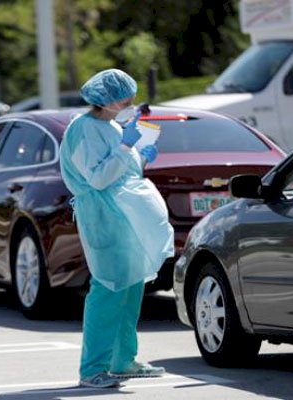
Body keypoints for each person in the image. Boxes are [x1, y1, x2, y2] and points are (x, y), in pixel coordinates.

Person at [59, 69, 174, 388]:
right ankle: (92, 369)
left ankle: (123, 360)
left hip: (126, 216)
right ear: (106, 100)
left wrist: (142, 155)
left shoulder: (112, 126)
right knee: (108, 287)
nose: (130, 105)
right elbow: (98, 178)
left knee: (131, 286)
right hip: (103, 215)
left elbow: (125, 171)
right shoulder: (83, 129)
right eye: (125, 100)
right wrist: (125, 149)